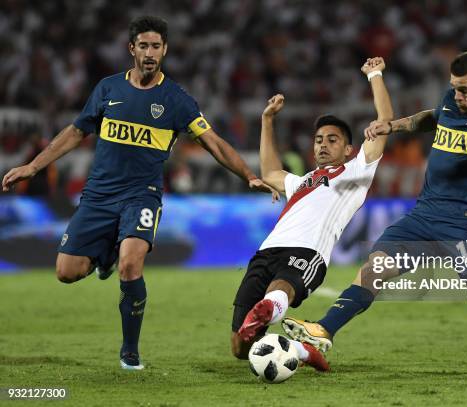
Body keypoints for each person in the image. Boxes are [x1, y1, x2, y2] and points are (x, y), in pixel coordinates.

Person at [1, 16, 275, 370]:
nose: (149, 53)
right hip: (98, 195)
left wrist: (248, 175)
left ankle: (130, 351)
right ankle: (103, 257)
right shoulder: (108, 89)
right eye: (143, 46)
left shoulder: (175, 99)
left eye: (156, 46)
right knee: (66, 272)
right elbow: (74, 132)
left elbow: (213, 142)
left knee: (131, 266)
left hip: (141, 195)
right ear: (131, 49)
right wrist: (33, 167)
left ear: (165, 50)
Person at [283, 50, 467, 376]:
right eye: (455, 87)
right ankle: (325, 329)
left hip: (462, 225)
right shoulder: (452, 100)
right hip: (422, 216)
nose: (458, 94)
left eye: (465, 89)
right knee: (373, 270)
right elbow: (432, 117)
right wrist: (391, 126)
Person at [231, 57, 393, 371]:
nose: (322, 145)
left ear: (348, 149)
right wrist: (267, 121)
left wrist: (375, 74)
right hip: (267, 251)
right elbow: (269, 172)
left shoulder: (356, 170)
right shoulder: (303, 180)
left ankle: (269, 309)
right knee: (239, 348)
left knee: (280, 292)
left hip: (308, 252)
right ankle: (303, 351)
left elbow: (385, 119)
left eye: (332, 140)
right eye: (318, 140)